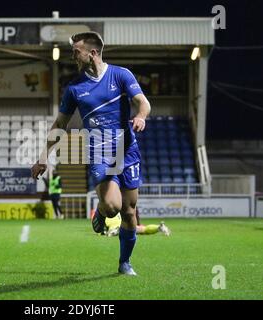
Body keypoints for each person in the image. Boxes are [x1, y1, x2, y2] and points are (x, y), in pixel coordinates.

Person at [31, 32, 151, 276]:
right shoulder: (74, 88)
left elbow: (143, 101)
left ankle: (124, 263)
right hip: (100, 151)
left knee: (129, 212)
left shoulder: (121, 75)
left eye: (76, 51)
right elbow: (60, 125)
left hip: (127, 150)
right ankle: (101, 215)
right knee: (111, 207)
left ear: (92, 53)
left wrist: (140, 116)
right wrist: (44, 156)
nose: (73, 55)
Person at [100, 208, 171, 237]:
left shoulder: (105, 212)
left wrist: (102, 232)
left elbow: (100, 229)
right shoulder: (124, 205)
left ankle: (116, 231)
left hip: (115, 225)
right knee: (142, 229)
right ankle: (159, 227)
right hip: (126, 223)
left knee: (113, 229)